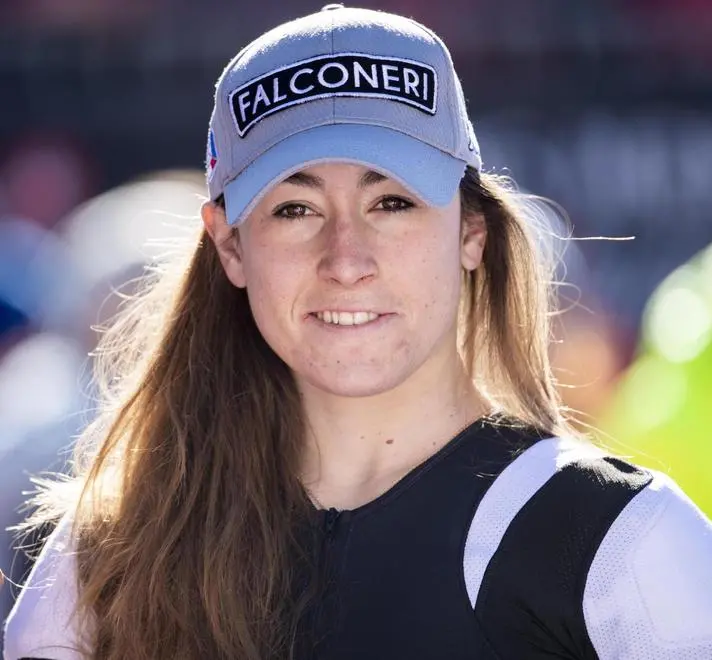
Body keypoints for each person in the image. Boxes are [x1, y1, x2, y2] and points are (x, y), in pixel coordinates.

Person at [4, 5, 712, 659]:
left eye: (392, 202)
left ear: (471, 231)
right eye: (295, 209)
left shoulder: (620, 543)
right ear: (229, 247)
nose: (346, 259)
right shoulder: (108, 555)